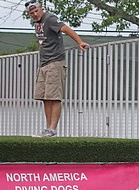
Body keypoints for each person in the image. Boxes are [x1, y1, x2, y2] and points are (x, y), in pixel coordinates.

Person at [25, 0, 89, 137]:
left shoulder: (50, 18)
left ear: (41, 8)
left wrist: (80, 42)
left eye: (36, 11)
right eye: (32, 13)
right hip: (43, 64)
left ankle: (53, 129)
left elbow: (66, 29)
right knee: (45, 97)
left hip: (55, 62)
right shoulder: (37, 23)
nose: (35, 14)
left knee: (54, 97)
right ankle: (48, 129)